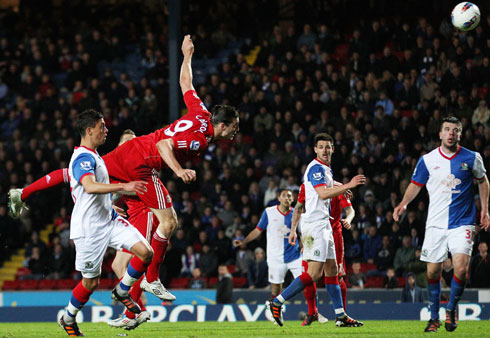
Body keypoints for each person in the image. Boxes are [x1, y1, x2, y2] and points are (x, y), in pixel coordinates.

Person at [58, 109, 153, 337]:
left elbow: (94, 192)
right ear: (89, 130)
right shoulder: (82, 157)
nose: (106, 130)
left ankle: (122, 290)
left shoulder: (96, 155)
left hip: (109, 221)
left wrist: (109, 205)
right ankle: (68, 317)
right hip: (89, 230)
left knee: (145, 253)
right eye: (102, 126)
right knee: (90, 283)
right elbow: (90, 186)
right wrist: (124, 187)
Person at [394, 116, 489, 333]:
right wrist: (403, 204)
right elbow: (415, 184)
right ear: (440, 134)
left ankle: (452, 309)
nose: (451, 133)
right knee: (433, 271)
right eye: (447, 129)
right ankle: (434, 317)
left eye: (455, 130)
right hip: (435, 224)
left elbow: (483, 181)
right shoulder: (427, 160)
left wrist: (484, 209)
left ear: (460, 135)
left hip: (462, 222)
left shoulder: (472, 158)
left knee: (462, 268)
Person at [267, 133, 365, 327]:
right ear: (315, 150)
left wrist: (340, 186)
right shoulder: (316, 168)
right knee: (313, 274)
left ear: (333, 149)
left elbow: (324, 187)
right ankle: (276, 302)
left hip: (325, 225)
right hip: (314, 225)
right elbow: (321, 193)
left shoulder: (326, 170)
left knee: (331, 271)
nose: (325, 150)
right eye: (321, 147)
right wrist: (348, 184)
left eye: (328, 147)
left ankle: (341, 316)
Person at [233, 189, 327, 325]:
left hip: (295, 256)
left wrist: (305, 245)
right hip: (275, 258)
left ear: (292, 199)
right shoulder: (269, 212)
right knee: (276, 288)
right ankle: (278, 314)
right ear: (279, 198)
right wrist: (244, 241)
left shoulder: (297, 213)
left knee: (308, 281)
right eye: (284, 196)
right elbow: (258, 230)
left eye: (289, 196)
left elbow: (303, 233)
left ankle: (313, 312)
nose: (287, 198)